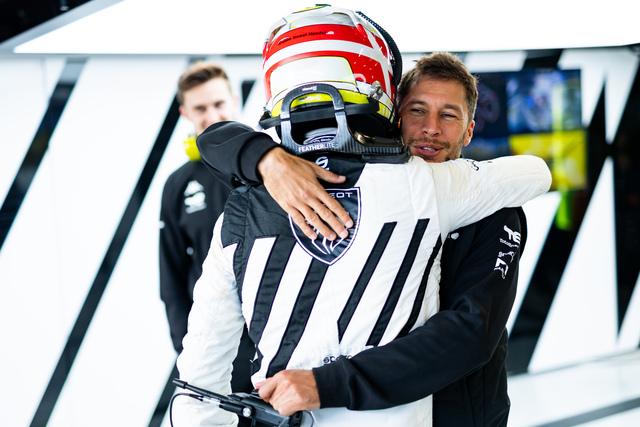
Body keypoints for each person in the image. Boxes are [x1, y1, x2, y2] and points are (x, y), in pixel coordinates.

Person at [175, 6, 550, 426]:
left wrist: (326, 384)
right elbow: (216, 139)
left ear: (468, 130)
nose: (431, 127)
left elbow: (471, 333)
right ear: (394, 115)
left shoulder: (484, 203)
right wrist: (268, 159)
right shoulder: (278, 190)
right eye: (417, 111)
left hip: (459, 413)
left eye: (448, 115)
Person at [159, 61, 253, 394]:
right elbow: (171, 275)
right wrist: (186, 347)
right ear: (185, 112)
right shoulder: (178, 184)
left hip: (276, 337)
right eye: (200, 108)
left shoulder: (268, 168)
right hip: (216, 344)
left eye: (218, 103)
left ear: (234, 101)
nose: (211, 115)